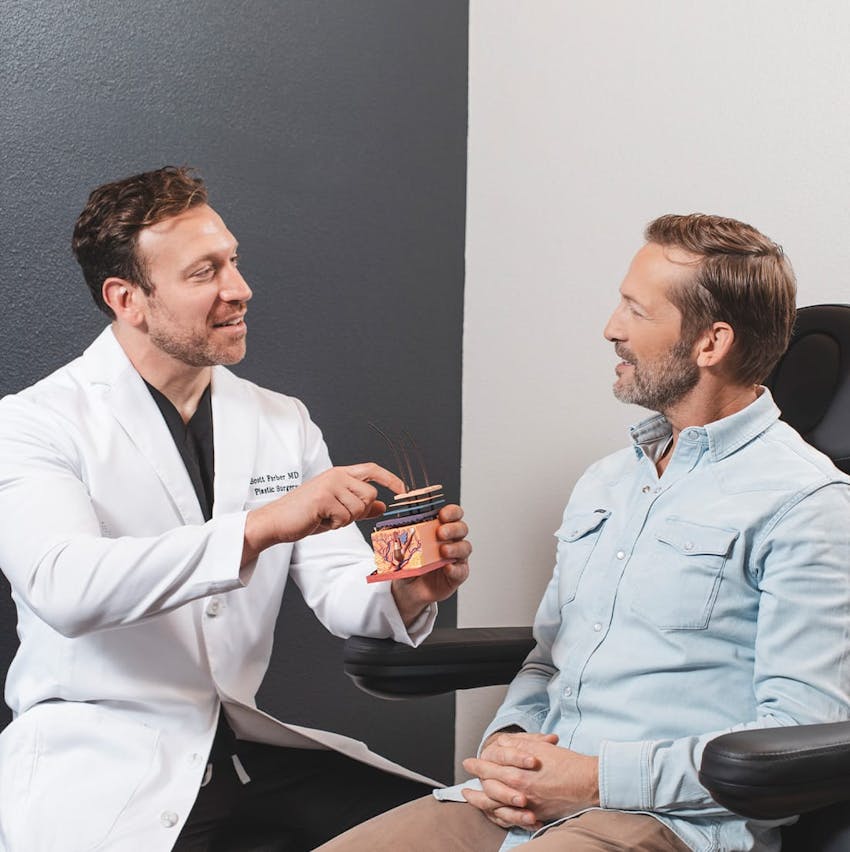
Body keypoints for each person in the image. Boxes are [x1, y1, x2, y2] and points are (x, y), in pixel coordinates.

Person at [316, 214, 850, 852]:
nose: (611, 328)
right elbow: (548, 656)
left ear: (711, 344)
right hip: (513, 806)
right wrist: (508, 746)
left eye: (636, 310)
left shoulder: (807, 502)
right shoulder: (605, 484)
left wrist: (594, 781)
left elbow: (800, 733)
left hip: (664, 823)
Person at [0, 166, 471, 852]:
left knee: (465, 830)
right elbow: (65, 588)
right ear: (126, 299)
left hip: (244, 747)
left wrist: (408, 591)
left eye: (234, 261)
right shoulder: (34, 423)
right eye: (205, 273)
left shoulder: (282, 422)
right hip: (104, 760)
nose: (240, 289)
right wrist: (261, 527)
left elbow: (341, 590)